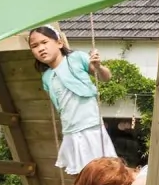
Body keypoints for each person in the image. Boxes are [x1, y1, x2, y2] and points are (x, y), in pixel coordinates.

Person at [29, 25, 116, 175]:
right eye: (35, 46)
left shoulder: (76, 58)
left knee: (104, 169)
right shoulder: (47, 76)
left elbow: (105, 77)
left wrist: (99, 67)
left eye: (45, 42)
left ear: (59, 43)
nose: (41, 48)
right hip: (70, 130)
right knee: (83, 174)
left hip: (91, 125)